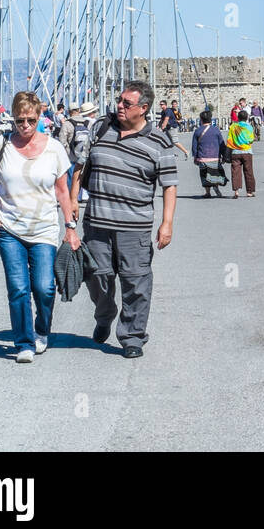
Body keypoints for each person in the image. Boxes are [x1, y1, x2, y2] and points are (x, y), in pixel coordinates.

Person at [70, 80, 178, 359]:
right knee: (96, 276)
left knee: (136, 282)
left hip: (135, 226)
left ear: (143, 109)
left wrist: (167, 223)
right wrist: (72, 199)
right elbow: (80, 166)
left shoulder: (159, 141)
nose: (119, 106)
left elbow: (169, 184)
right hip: (97, 223)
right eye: (119, 101)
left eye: (126, 103)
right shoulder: (100, 128)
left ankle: (132, 335)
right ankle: (104, 314)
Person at [0, 91, 74, 364]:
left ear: (39, 117)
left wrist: (70, 226)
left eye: (31, 120)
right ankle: (24, 342)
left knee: (44, 287)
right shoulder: (1, 145)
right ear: (13, 119)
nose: (25, 126)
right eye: (20, 121)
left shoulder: (54, 148)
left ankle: (42, 329)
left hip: (43, 226)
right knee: (18, 287)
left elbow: (63, 192)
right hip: (8, 226)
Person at [191, 110, 227, 197]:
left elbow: (194, 146)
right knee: (215, 173)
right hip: (215, 157)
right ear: (211, 120)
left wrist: (195, 157)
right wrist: (224, 156)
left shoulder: (197, 131)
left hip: (203, 157)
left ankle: (207, 192)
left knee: (204, 175)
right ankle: (216, 186)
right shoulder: (216, 130)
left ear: (201, 120)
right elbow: (221, 144)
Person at [224, 107, 257, 197]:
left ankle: (236, 191)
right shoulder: (249, 127)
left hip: (235, 152)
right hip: (247, 151)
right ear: (247, 118)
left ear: (238, 118)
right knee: (248, 171)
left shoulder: (233, 127)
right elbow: (251, 139)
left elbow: (229, 140)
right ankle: (249, 192)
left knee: (235, 171)